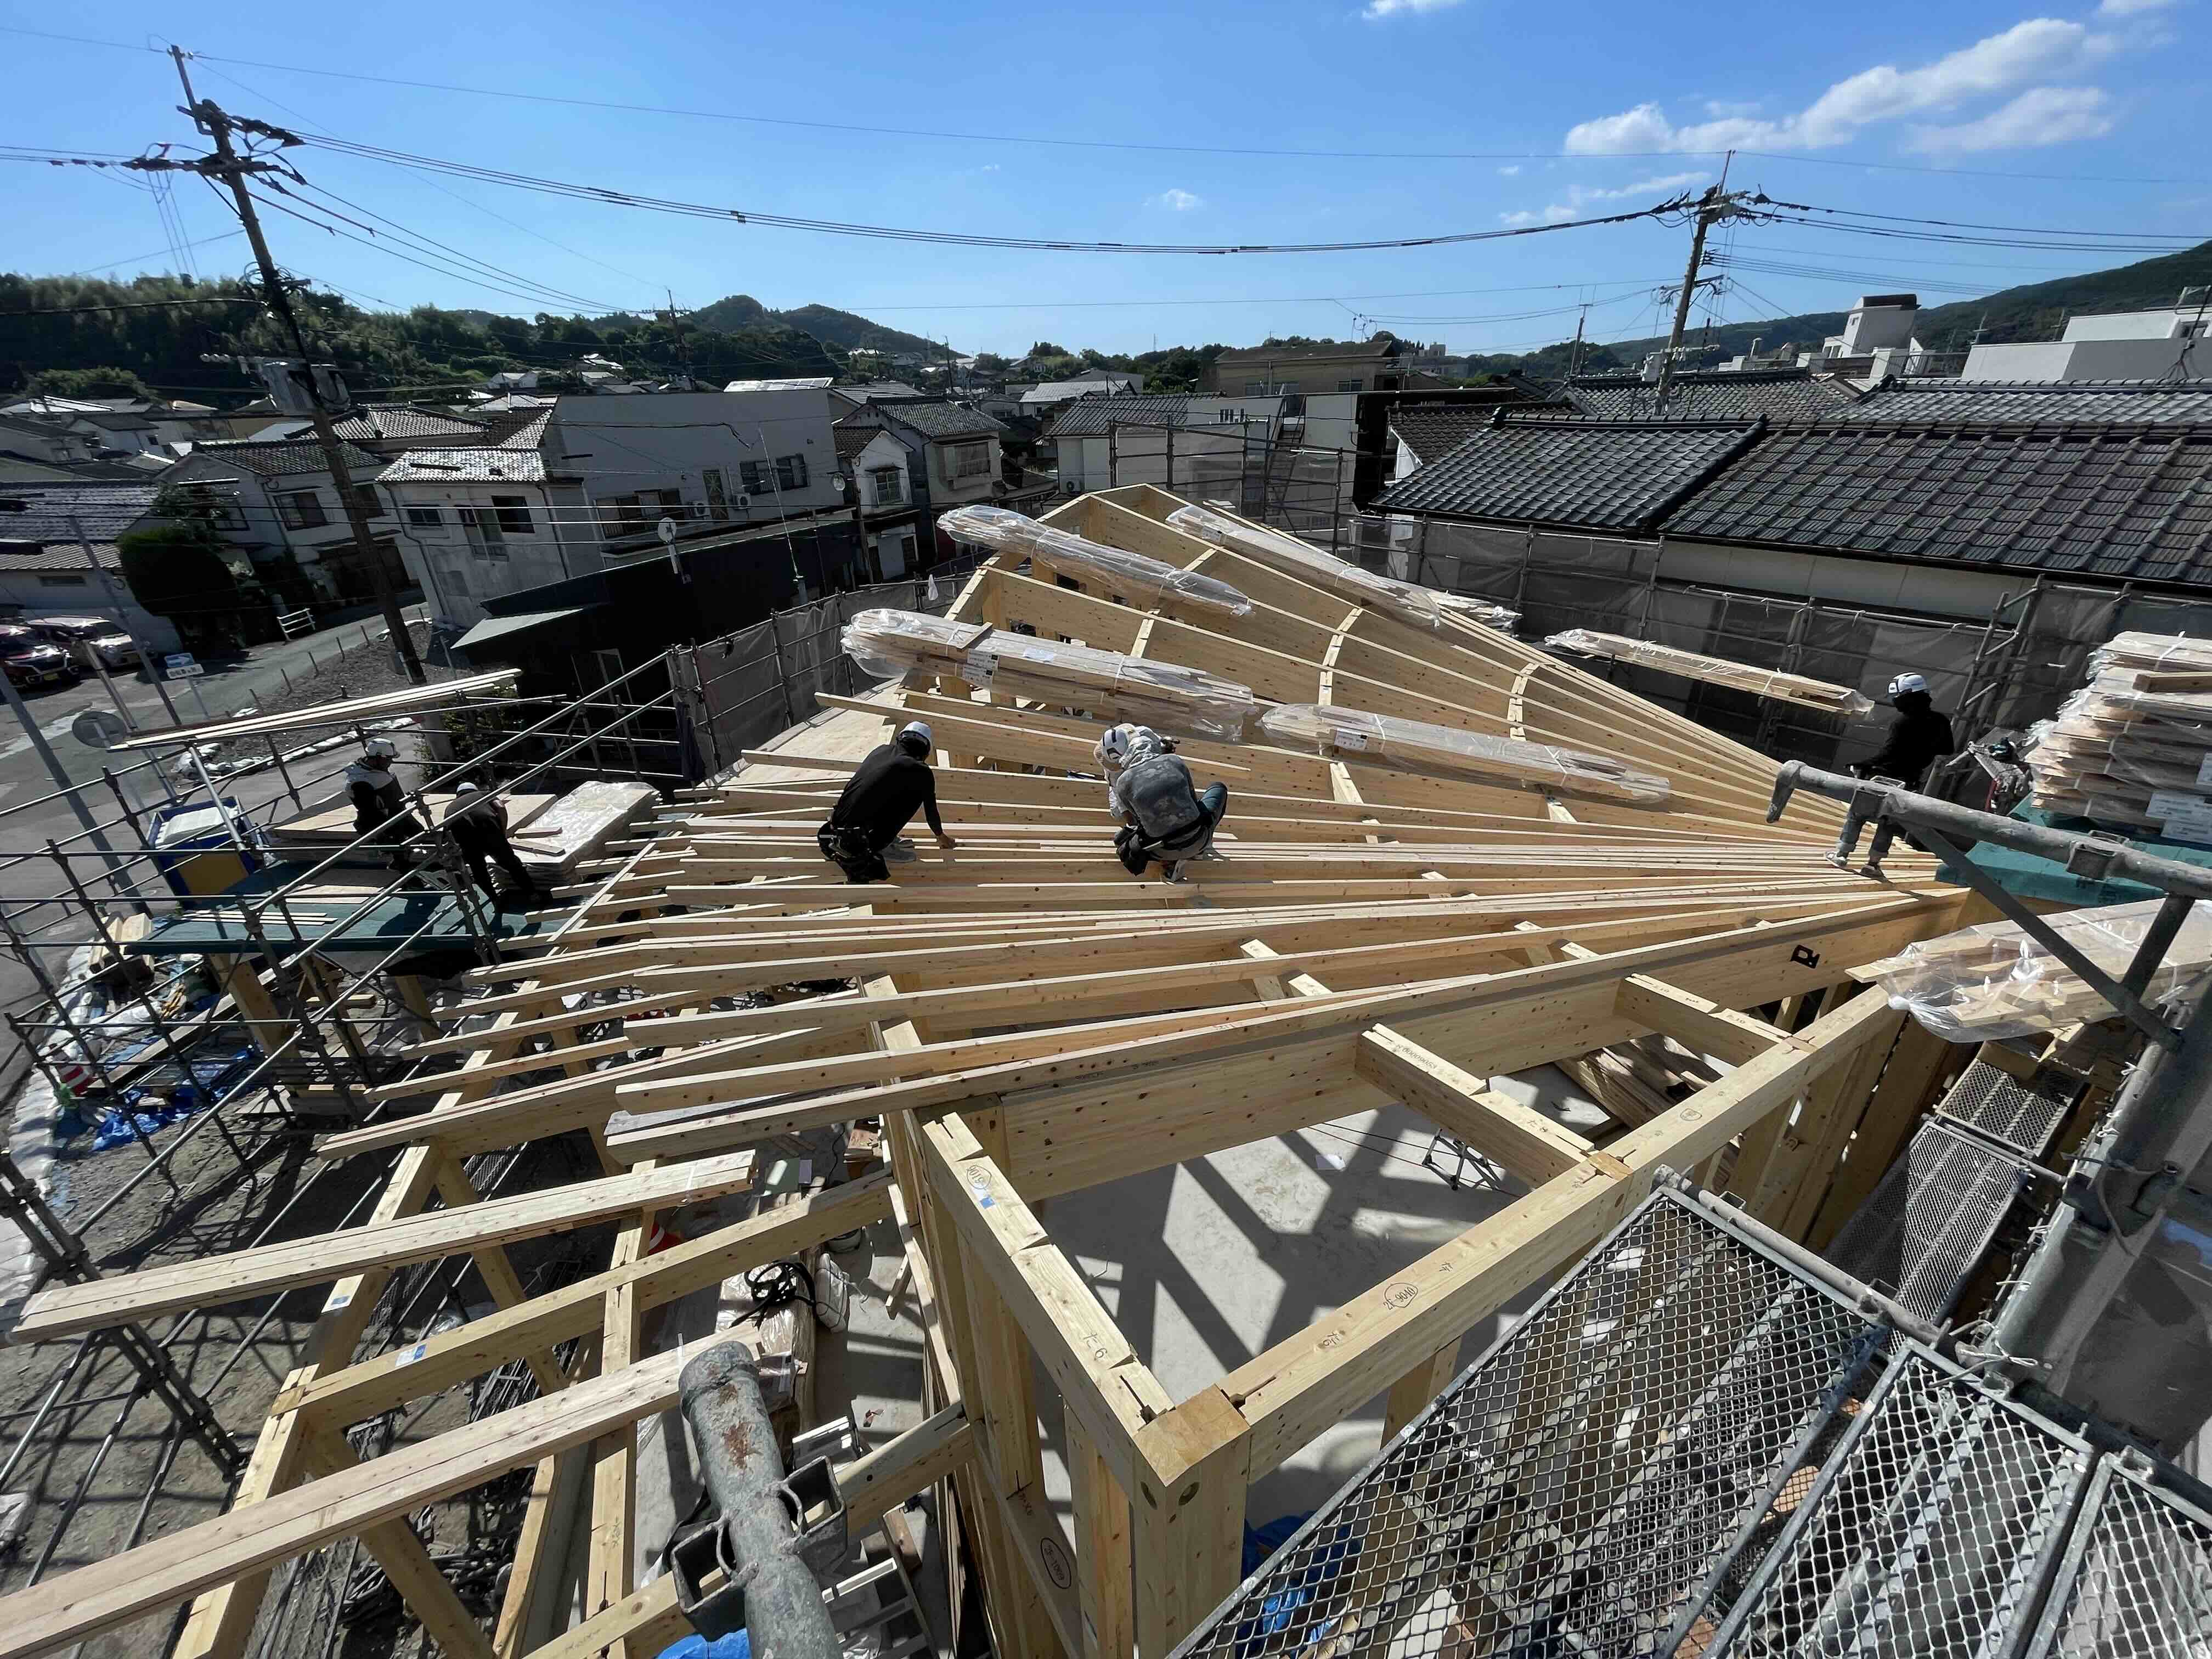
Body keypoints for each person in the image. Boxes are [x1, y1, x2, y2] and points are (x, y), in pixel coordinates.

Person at [817, 720, 957, 883]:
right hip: (859, 841)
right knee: (915, 794)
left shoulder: (881, 750)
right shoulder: (920, 770)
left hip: (835, 827)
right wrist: (941, 837)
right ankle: (881, 843)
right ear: (926, 749)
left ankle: (877, 836)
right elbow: (931, 812)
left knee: (889, 788)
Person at [1110, 729, 1228, 883]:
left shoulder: (1122, 782)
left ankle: (1169, 864)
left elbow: (1134, 822)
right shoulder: (1174, 761)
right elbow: (1194, 802)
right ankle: (1199, 850)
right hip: (1199, 840)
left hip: (1160, 851)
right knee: (1219, 788)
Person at [447, 782, 545, 911]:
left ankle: (495, 900)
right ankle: (533, 894)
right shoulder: (483, 794)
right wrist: (502, 832)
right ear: (474, 789)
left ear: (458, 795)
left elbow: (448, 833)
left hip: (463, 833)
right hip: (487, 827)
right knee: (511, 863)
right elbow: (501, 807)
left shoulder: (450, 807)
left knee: (479, 870)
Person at [1855, 673, 1956, 789]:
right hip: (1914, 780)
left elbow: (1889, 753)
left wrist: (1865, 764)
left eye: (1895, 697)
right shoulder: (1941, 720)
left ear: (1907, 697)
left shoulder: (1901, 723)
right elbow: (1947, 750)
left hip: (1890, 781)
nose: (1894, 701)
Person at [345, 738, 425, 866]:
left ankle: (414, 867)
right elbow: (370, 812)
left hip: (398, 814)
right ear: (378, 758)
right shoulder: (360, 782)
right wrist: (384, 836)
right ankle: (407, 878)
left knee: (419, 832)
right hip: (384, 823)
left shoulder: (376, 771)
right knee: (400, 852)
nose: (391, 762)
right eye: (388, 759)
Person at [1092, 721, 1142, 805]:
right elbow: (1122, 801)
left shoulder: (1143, 733)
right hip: (1127, 780)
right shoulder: (1114, 775)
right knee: (1117, 811)